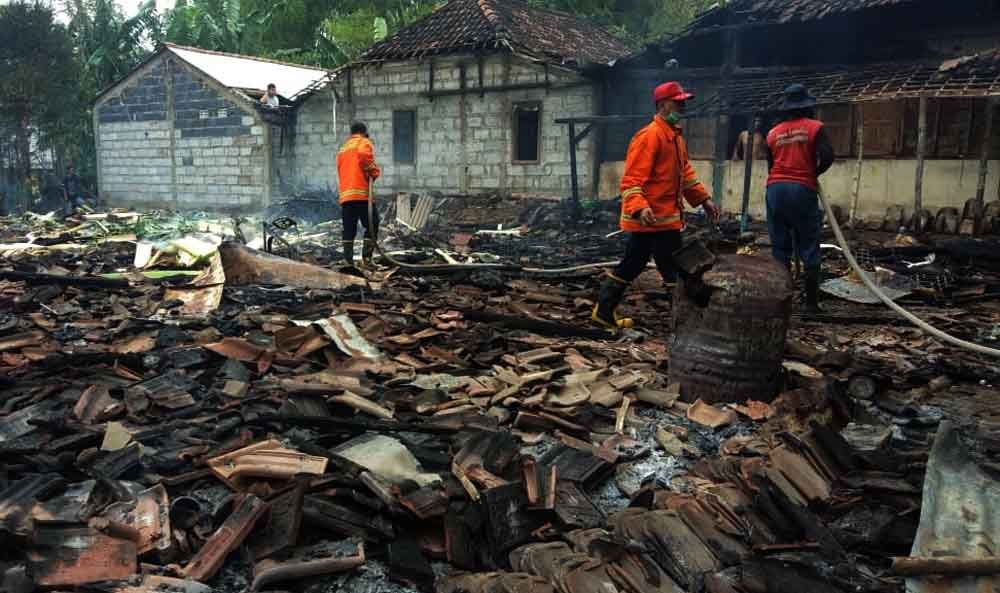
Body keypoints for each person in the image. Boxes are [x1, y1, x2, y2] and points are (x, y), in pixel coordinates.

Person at [592, 81, 720, 330]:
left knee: (633, 264)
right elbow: (632, 179)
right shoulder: (650, 136)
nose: (682, 107)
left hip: (662, 219)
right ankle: (686, 322)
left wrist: (703, 199)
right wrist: (640, 207)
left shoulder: (674, 137)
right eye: (678, 102)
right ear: (662, 105)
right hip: (653, 219)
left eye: (683, 102)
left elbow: (685, 174)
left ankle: (604, 312)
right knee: (674, 268)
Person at [764, 83, 835, 313]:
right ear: (807, 106)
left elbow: (770, 165)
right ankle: (811, 305)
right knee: (809, 244)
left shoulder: (772, 133)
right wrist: (813, 173)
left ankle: (781, 303)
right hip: (801, 189)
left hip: (775, 189)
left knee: (779, 247)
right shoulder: (815, 127)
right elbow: (827, 156)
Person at [336, 122, 381, 267]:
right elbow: (363, 154)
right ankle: (367, 260)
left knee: (349, 228)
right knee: (373, 224)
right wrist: (374, 171)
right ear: (364, 132)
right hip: (361, 195)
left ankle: (348, 261)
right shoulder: (363, 142)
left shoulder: (343, 148)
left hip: (346, 196)